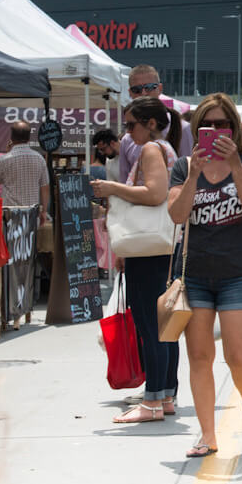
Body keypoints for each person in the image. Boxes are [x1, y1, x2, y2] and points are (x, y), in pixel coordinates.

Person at [167, 94, 242, 458]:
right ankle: (208, 434)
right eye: (207, 124)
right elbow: (177, 215)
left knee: (238, 356)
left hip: (236, 274)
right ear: (197, 130)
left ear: (234, 128)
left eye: (222, 124)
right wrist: (195, 174)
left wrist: (234, 165)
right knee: (199, 357)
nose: (215, 130)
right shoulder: (182, 167)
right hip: (195, 275)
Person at [90, 97, 178, 425]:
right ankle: (164, 394)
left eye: (131, 125)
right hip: (158, 245)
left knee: (149, 324)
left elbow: (155, 193)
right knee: (162, 325)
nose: (126, 133)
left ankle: (154, 399)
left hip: (147, 248)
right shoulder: (166, 148)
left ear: (151, 123)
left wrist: (111, 187)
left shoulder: (151, 150)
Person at [117, 65, 190, 182]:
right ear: (130, 93)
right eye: (137, 90)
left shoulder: (183, 128)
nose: (144, 93)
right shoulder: (127, 139)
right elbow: (124, 180)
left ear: (160, 88)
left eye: (149, 87)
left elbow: (188, 176)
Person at [0, 122, 49, 223]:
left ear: (11, 138)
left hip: (9, 213)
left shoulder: (4, 159)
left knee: (10, 238)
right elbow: (45, 187)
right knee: (31, 239)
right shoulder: (39, 159)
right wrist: (44, 211)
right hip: (31, 213)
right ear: (29, 137)